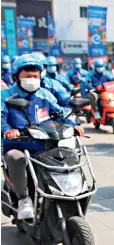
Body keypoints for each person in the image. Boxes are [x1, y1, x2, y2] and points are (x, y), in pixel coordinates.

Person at [1, 54, 84, 220]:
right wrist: (8, 130)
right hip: (18, 145)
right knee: (16, 159)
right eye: (27, 76)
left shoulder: (45, 94)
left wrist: (74, 124)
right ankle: (24, 199)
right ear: (17, 77)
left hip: (44, 144)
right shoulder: (6, 96)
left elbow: (60, 111)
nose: (32, 79)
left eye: (35, 76)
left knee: (70, 155)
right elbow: (1, 117)